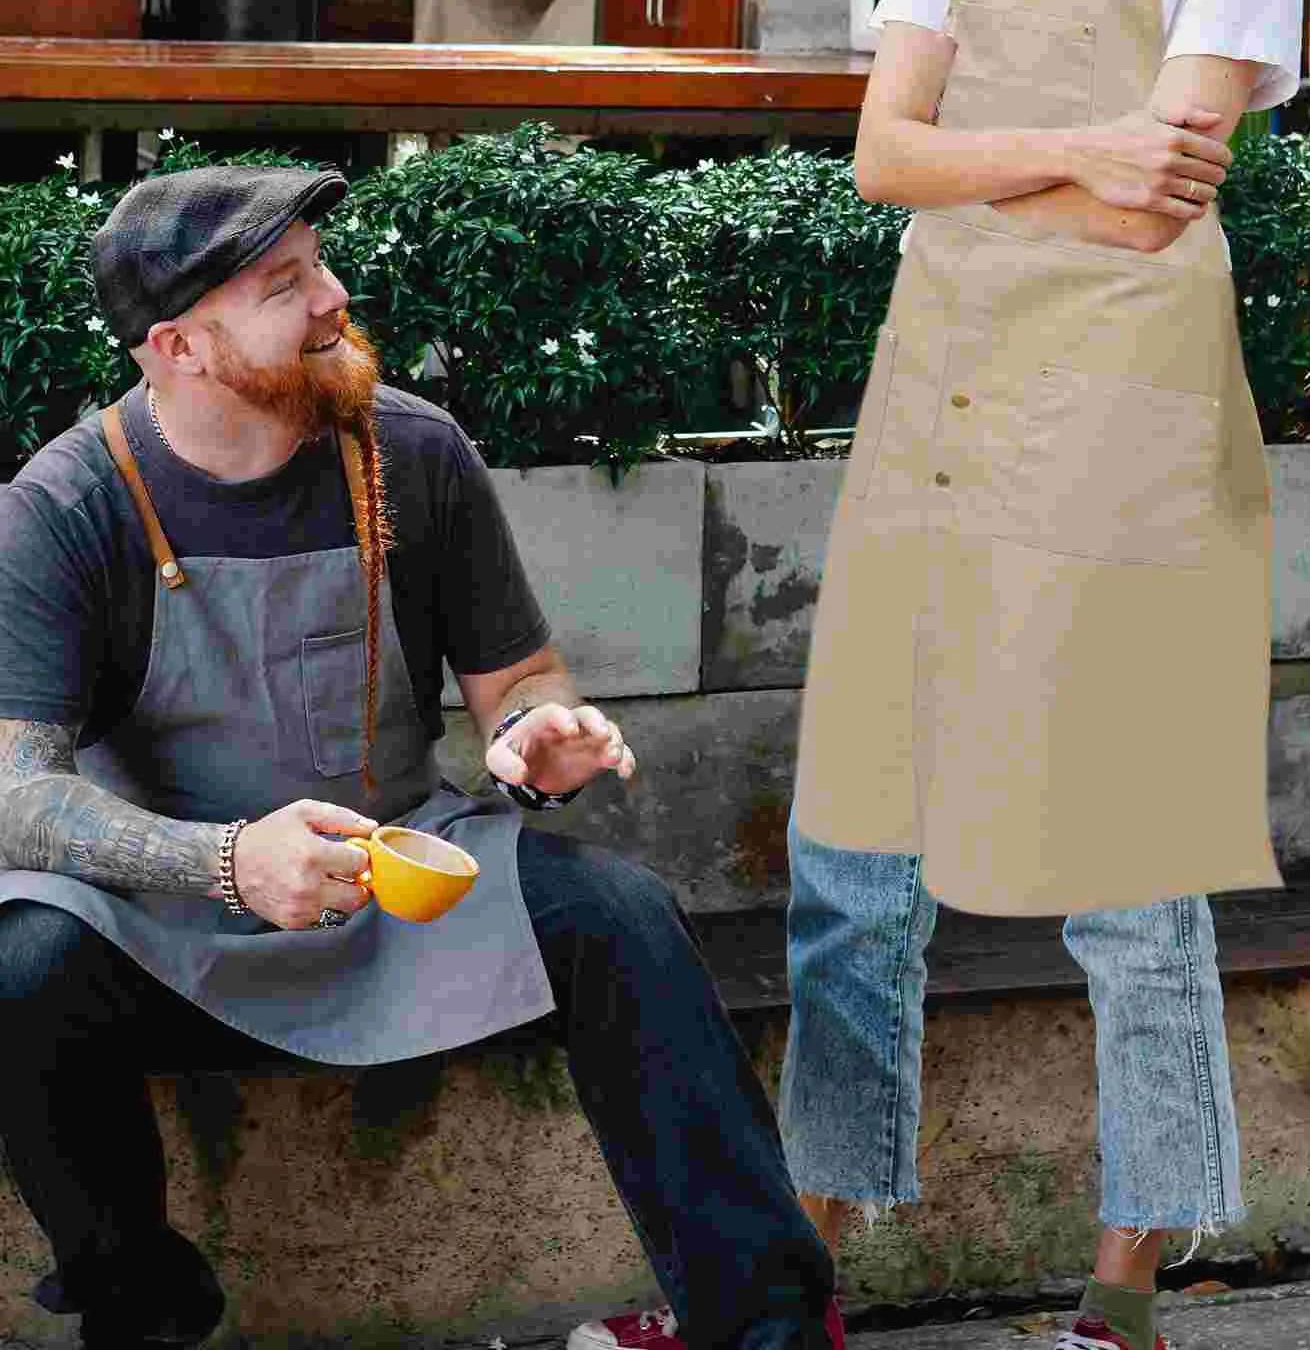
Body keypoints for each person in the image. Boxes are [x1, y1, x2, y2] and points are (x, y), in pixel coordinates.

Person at [0, 164, 841, 1350]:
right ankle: (137, 1303)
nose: (334, 296)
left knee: (622, 920)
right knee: (18, 964)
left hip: (401, 879)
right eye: (285, 284)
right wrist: (231, 862)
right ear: (179, 348)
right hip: (166, 919)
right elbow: (15, 797)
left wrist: (533, 732)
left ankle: (768, 1330)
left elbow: (521, 681)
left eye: (321, 263)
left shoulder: (410, 450)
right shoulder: (67, 504)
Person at [776, 0, 1308, 1350]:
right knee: (851, 849)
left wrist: (984, 163)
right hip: (936, 385)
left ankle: (1121, 1299)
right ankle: (799, 1287)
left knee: (1128, 860)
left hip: (1122, 409)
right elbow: (882, 157)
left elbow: (1158, 211)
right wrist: (1086, 150)